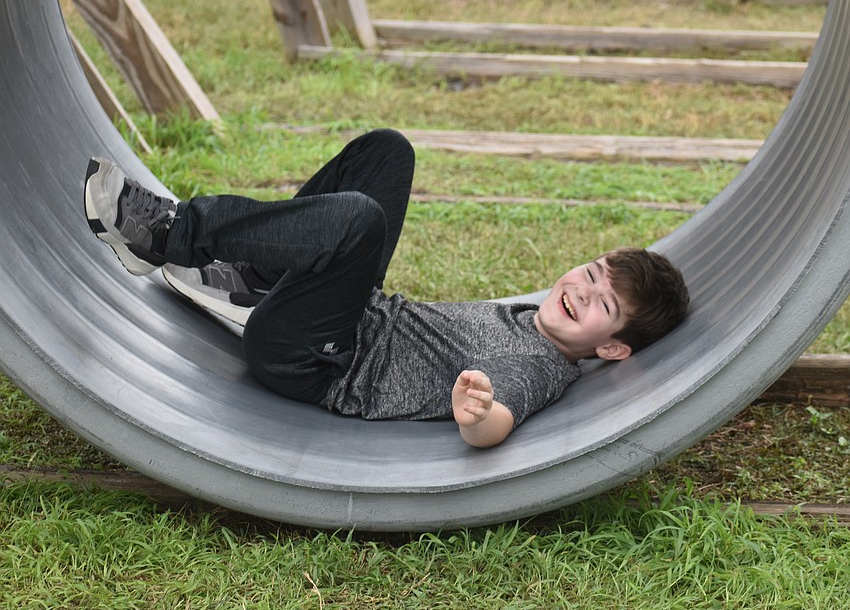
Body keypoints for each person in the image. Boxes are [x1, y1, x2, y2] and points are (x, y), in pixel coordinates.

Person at [84, 129, 689, 448]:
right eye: (591, 273)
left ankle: (167, 235)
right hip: (341, 318)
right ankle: (257, 280)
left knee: (359, 220)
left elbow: (499, 419)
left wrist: (478, 415)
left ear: (612, 347)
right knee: (387, 152)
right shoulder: (523, 317)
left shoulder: (542, 365)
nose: (583, 291)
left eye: (604, 305)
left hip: (319, 363)